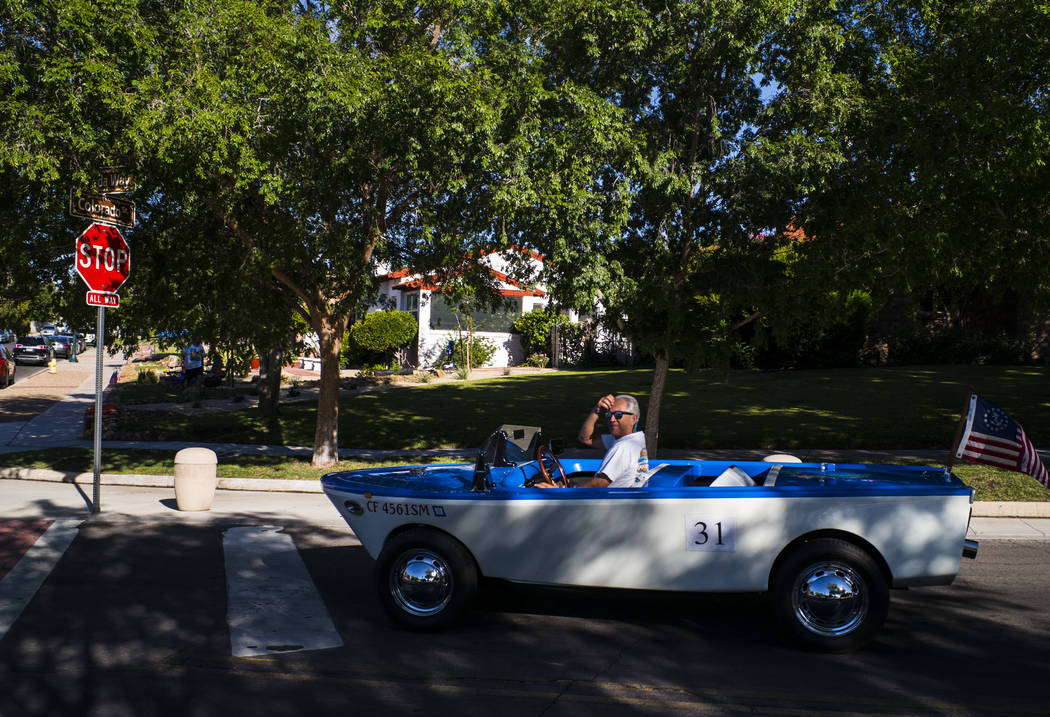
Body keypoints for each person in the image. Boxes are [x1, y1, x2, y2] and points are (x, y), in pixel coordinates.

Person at [536, 393, 648, 488]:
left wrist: (564, 493)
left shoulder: (623, 447)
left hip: (609, 504)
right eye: (609, 415)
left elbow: (599, 484)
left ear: (633, 419)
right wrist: (597, 410)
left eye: (618, 415)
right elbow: (585, 438)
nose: (612, 419)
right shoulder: (635, 439)